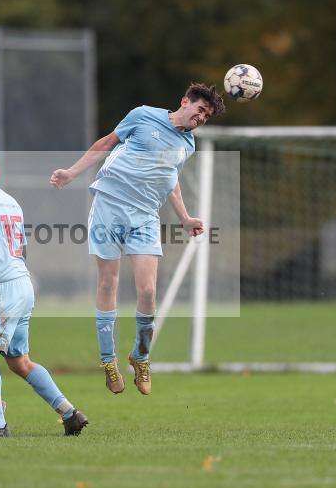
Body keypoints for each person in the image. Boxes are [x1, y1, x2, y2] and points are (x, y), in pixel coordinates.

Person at [49, 83, 224, 395]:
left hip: (145, 216)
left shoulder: (188, 144)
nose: (202, 117)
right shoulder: (143, 116)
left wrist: (184, 218)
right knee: (108, 284)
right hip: (108, 204)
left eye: (207, 116)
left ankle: (141, 357)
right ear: (184, 102)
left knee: (147, 291)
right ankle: (108, 361)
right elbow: (106, 143)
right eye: (200, 110)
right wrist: (72, 173)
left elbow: (170, 180)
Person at [0, 146, 88, 437]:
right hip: (23, 284)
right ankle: (69, 413)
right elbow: (20, 248)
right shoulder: (11, 201)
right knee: (19, 360)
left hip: (1, 288)